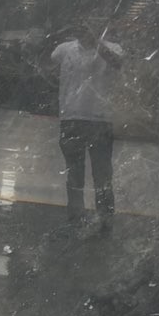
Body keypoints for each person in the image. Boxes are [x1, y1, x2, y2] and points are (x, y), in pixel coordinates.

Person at [50, 23, 123, 229]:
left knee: (102, 175)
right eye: (82, 26)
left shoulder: (113, 48)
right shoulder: (64, 49)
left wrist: (97, 43)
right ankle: (75, 217)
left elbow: (117, 63)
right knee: (75, 174)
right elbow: (48, 67)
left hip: (100, 120)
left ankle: (105, 218)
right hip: (72, 118)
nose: (85, 30)